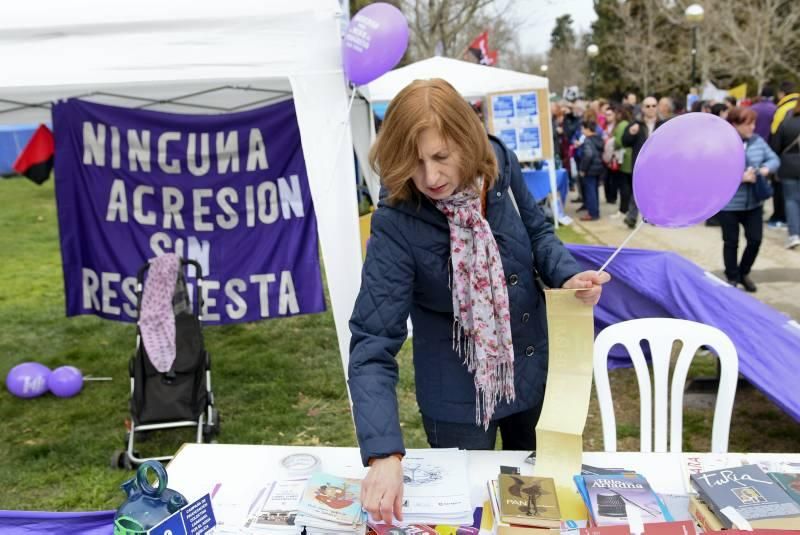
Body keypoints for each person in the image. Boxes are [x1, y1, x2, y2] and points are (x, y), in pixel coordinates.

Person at [348, 79, 610, 524]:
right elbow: (373, 342)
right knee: (467, 517)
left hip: (530, 371)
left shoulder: (500, 165)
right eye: (415, 163)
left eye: (441, 158)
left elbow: (540, 232)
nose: (430, 178)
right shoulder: (396, 220)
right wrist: (384, 454)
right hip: (456, 397)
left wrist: (566, 274)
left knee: (541, 508)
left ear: (468, 144)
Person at [718, 107, 780, 292]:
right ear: (734, 124)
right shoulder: (722, 145)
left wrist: (764, 170)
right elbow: (713, 172)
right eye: (748, 124)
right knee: (731, 242)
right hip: (729, 204)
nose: (752, 127)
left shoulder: (758, 141)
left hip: (753, 203)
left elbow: (774, 159)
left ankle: (744, 271)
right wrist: (740, 178)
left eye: (753, 123)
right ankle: (732, 277)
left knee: (755, 240)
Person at [621, 96, 665, 229]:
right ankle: (632, 217)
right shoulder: (636, 124)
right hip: (640, 164)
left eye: (653, 105)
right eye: (648, 106)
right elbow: (625, 142)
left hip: (658, 164)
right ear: (642, 108)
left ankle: (652, 216)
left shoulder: (664, 124)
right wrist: (630, 133)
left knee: (655, 190)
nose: (651, 108)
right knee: (638, 191)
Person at [771, 98, 800, 249]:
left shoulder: (787, 122)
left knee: (791, 200)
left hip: (788, 165)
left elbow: (776, 145)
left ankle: (794, 234)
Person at [578, 119, 604, 221]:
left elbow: (588, 155)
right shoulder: (598, 138)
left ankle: (592, 213)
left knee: (590, 191)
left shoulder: (587, 140)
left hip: (590, 169)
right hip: (598, 168)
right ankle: (595, 211)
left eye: (582, 129)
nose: (581, 131)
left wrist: (583, 169)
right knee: (595, 191)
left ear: (587, 129)